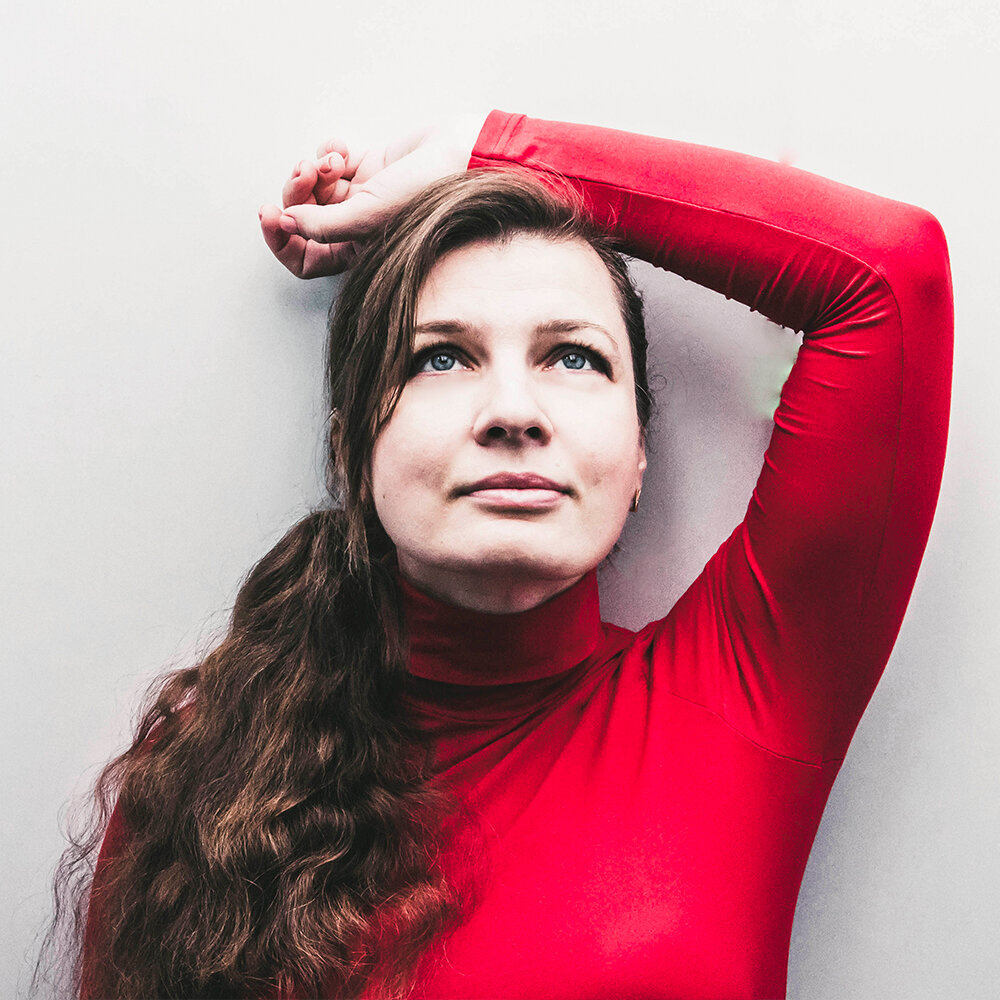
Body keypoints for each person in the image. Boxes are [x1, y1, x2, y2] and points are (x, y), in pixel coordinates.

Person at [58, 110, 951, 999]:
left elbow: (887, 275)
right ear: (353, 451)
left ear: (638, 454)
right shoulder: (209, 775)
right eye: (442, 359)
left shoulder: (741, 693)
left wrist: (485, 153)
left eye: (574, 358)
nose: (514, 412)